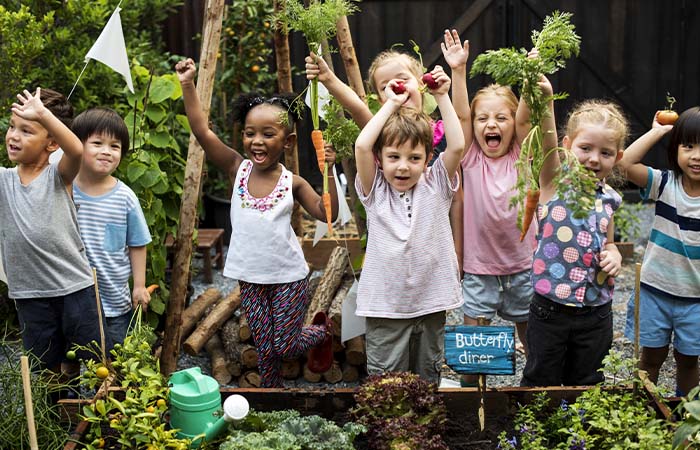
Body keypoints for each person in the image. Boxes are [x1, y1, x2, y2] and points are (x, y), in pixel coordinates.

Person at [175, 58, 339, 388]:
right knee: (265, 347)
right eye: (250, 134)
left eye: (268, 134)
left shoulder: (293, 183)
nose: (257, 141)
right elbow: (202, 131)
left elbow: (327, 214)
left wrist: (329, 171)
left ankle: (322, 332)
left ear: (288, 142)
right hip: (251, 277)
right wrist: (188, 84)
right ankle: (270, 393)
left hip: (288, 277)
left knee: (285, 345)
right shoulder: (239, 169)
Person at [305, 38, 464, 271]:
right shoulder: (381, 135)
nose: (395, 86)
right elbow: (357, 107)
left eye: (401, 79)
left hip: (430, 245)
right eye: (385, 86)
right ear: (381, 98)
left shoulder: (442, 132)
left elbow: (457, 193)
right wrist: (327, 77)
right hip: (391, 243)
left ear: (420, 83)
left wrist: (457, 251)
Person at [353, 64, 465, 382]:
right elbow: (362, 145)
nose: (403, 167)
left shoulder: (436, 184)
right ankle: (389, 431)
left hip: (431, 300)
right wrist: (390, 103)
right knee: (386, 378)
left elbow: (457, 145)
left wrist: (442, 96)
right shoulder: (374, 190)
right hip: (386, 305)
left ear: (428, 158)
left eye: (414, 158)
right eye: (394, 157)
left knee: (427, 372)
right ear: (380, 159)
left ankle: (421, 427)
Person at [443, 31, 536, 386]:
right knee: (474, 349)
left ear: (514, 124)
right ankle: (472, 398)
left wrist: (530, 75)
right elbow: (462, 118)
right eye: (484, 119)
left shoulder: (523, 155)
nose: (491, 125)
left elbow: (529, 119)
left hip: (523, 266)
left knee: (533, 340)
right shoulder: (469, 157)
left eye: (501, 118)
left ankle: (535, 391)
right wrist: (459, 72)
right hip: (480, 269)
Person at [0, 88, 109, 379]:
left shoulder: (58, 175)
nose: (13, 136)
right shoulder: (4, 180)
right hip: (29, 294)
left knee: (87, 357)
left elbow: (75, 149)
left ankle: (81, 405)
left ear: (50, 143)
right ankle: (58, 415)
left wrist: (44, 115)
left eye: (26, 130)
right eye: (12, 127)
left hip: (74, 287)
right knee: (45, 363)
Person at [521, 98, 626, 386]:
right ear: (566, 145)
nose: (594, 158)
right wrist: (546, 98)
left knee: (588, 380)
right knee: (542, 377)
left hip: (596, 311)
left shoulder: (610, 200)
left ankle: (577, 430)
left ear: (617, 157)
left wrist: (614, 255)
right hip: (551, 308)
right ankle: (533, 430)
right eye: (586, 148)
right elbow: (546, 137)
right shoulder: (554, 182)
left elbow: (610, 242)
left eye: (605, 152)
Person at [620, 107, 700, 396]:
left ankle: (687, 420)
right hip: (655, 290)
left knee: (689, 361)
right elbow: (624, 164)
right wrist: (657, 131)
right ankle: (643, 413)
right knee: (651, 357)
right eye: (688, 145)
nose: (696, 156)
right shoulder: (665, 184)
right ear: (675, 147)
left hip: (695, 299)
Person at [71, 108, 152, 346]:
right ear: (76, 146)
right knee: (72, 357)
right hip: (73, 299)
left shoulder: (125, 197)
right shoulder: (66, 190)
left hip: (114, 301)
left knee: (116, 359)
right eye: (97, 143)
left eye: (115, 146)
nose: (106, 151)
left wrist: (139, 286)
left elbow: (137, 243)